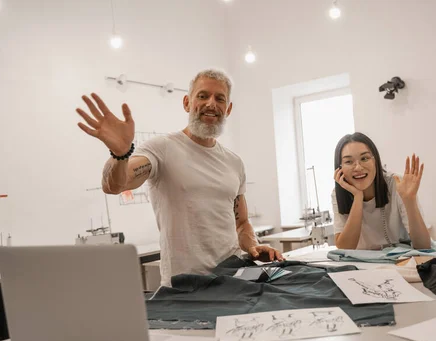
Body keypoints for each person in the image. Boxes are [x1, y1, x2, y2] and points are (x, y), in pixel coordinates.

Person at [76, 69, 282, 286]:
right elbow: (116, 185)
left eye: (219, 98)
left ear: (228, 109)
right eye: (202, 96)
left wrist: (252, 246)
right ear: (187, 102)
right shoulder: (162, 148)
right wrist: (120, 154)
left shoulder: (234, 162)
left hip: (232, 279)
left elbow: (241, 222)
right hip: (185, 287)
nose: (211, 103)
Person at [332, 132, 431, 250]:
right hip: (364, 265)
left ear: (375, 161)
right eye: (348, 161)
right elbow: (345, 248)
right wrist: (358, 197)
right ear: (340, 168)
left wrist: (410, 201)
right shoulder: (338, 193)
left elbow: (424, 246)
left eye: (364, 158)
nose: (358, 167)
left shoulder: (397, 184)